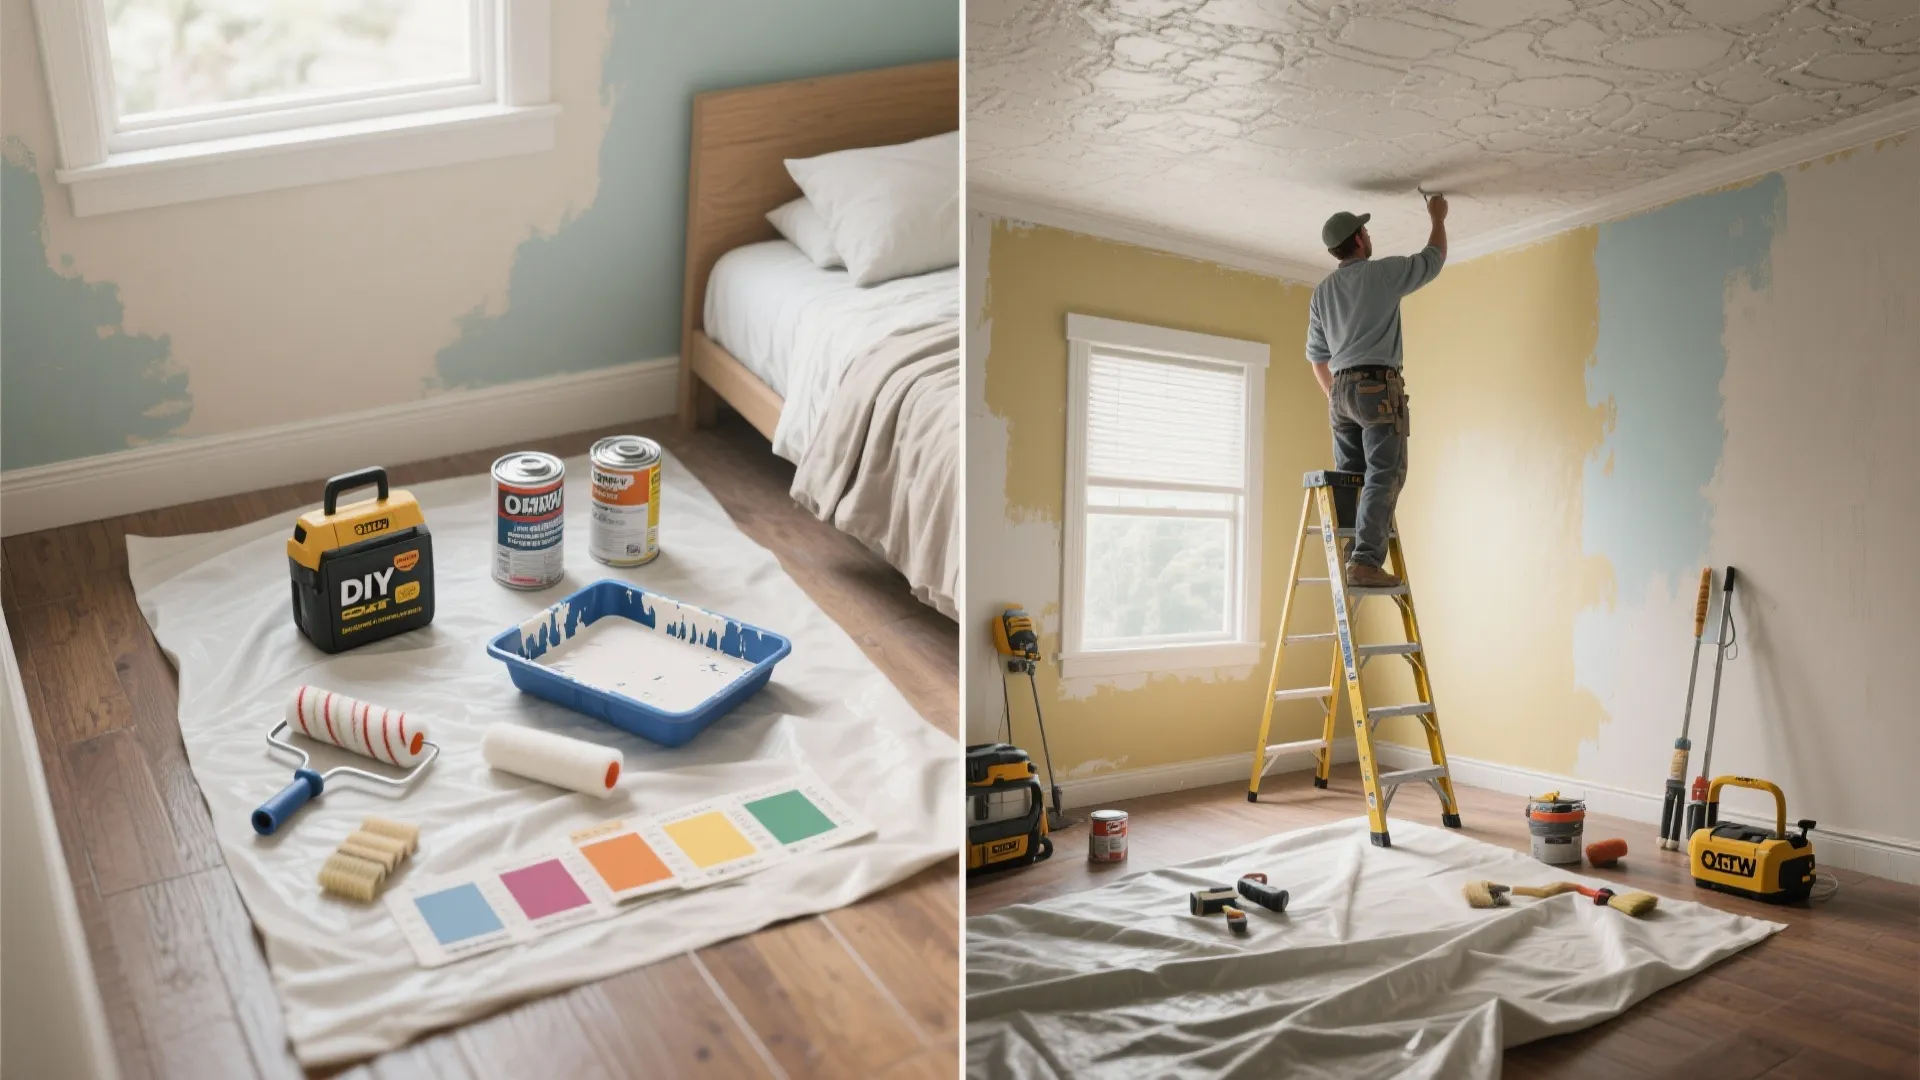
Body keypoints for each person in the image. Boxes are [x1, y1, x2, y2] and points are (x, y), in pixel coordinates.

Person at [1305, 193, 1449, 588]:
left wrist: (1336, 396)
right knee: (1385, 472)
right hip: (1376, 386)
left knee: (1352, 476)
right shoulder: (1382, 274)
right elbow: (1433, 259)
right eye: (1365, 230)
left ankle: (1352, 554)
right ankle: (1366, 561)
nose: (1369, 235)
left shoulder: (1322, 293)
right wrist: (1437, 217)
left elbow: (1317, 358)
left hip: (1340, 391)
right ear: (1358, 240)